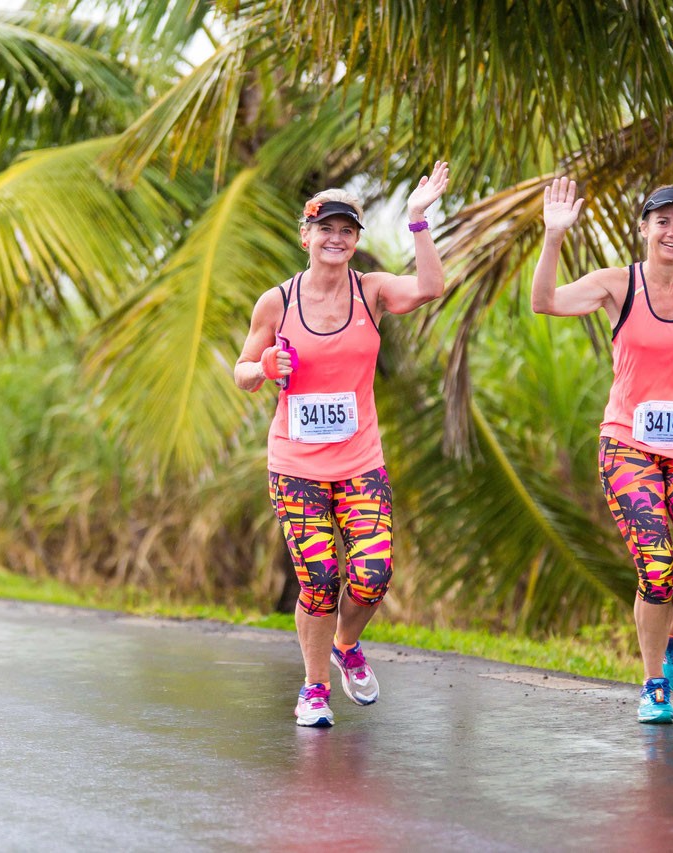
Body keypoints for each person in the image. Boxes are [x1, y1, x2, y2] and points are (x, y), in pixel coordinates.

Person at [235, 162, 451, 727]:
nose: (335, 238)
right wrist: (264, 365)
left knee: (373, 575)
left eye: (346, 230)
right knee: (319, 578)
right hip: (296, 464)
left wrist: (417, 218)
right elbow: (242, 371)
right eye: (325, 228)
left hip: (359, 462)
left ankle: (346, 645)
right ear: (305, 236)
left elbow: (430, 287)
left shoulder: (371, 291)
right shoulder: (276, 302)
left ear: (356, 240)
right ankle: (314, 689)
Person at [530, 177, 673, 724]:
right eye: (662, 221)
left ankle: (672, 635)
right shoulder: (617, 285)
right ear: (644, 228)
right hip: (628, 445)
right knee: (656, 567)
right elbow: (544, 302)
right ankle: (654, 686)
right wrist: (554, 236)